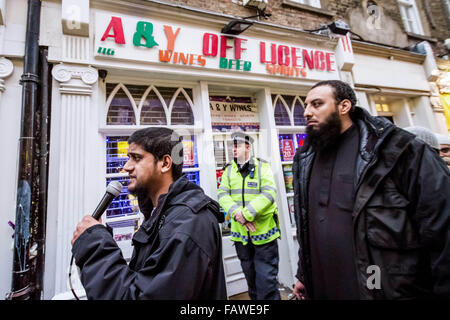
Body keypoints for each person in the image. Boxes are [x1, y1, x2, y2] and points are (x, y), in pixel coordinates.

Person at [292, 80, 450, 300]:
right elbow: (307, 223)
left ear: (344, 106)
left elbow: (441, 228)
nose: (307, 112)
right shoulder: (305, 159)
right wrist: (303, 274)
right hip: (322, 286)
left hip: (378, 286)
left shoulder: (398, 149)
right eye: (306, 106)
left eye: (317, 104)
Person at [71, 127, 227, 299]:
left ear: (165, 163)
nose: (126, 166)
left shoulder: (188, 224)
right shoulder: (159, 213)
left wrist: (95, 245)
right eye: (128, 157)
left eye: (136, 158)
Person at [217, 131, 281, 300]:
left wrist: (247, 215)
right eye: (233, 146)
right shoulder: (228, 170)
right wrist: (238, 215)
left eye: (237, 145)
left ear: (247, 146)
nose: (234, 149)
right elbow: (222, 194)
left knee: (267, 283)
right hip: (241, 237)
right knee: (251, 282)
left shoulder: (263, 167)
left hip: (264, 236)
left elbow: (269, 194)